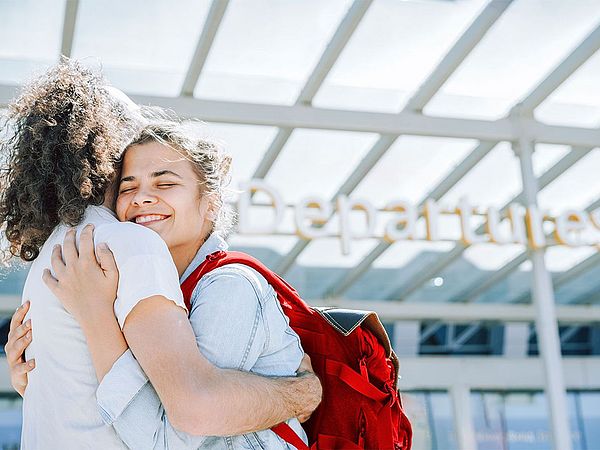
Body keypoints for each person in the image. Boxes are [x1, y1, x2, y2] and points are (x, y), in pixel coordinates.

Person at [0, 59, 321, 449]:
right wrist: (300, 394)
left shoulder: (58, 254)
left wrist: (303, 394)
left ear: (211, 202)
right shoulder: (127, 246)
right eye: (129, 181)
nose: (143, 197)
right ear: (111, 157)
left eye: (165, 181)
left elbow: (176, 426)